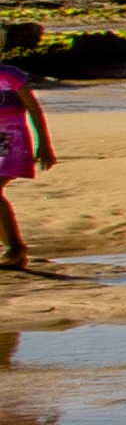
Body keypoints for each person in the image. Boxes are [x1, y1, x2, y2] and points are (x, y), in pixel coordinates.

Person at [0, 21, 50, 279]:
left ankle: (15, 248)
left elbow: (33, 108)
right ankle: (12, 249)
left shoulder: (10, 75)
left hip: (12, 138)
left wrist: (44, 143)